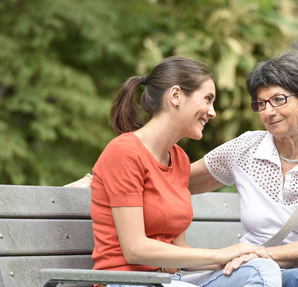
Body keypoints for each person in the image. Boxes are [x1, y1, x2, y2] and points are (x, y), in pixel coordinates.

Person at [88, 56, 281, 287]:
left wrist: (234, 258)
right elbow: (134, 249)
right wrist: (220, 254)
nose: (212, 112)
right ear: (176, 96)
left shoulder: (178, 158)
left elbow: (180, 250)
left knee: (260, 269)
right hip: (126, 282)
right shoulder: (124, 152)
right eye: (208, 100)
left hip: (171, 280)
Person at [188, 51, 298, 287]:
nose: (268, 112)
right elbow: (176, 180)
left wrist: (257, 255)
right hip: (254, 276)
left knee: (297, 281)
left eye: (278, 100)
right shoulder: (244, 148)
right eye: (261, 103)